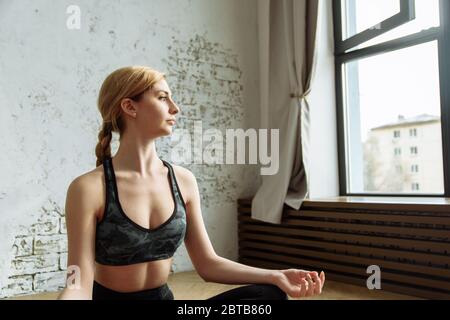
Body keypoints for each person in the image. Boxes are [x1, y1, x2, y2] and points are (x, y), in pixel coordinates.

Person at [57, 66, 325, 300]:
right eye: (163, 98)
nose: (175, 108)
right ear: (129, 107)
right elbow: (77, 281)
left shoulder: (183, 180)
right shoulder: (89, 188)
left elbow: (208, 264)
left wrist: (276, 275)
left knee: (267, 296)